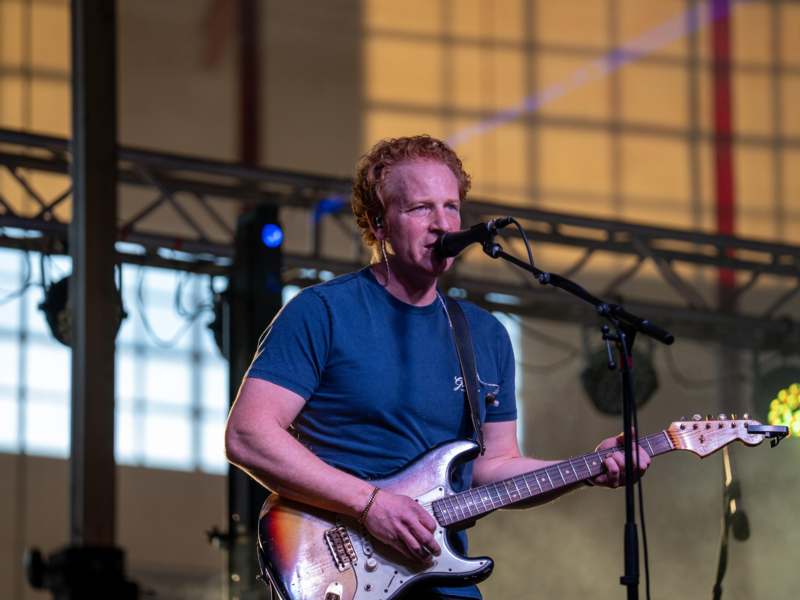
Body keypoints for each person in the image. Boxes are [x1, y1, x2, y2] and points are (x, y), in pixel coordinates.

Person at [225, 135, 651, 599]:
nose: (442, 224)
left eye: (451, 207)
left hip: (438, 576)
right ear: (379, 224)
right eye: (420, 208)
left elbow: (493, 467)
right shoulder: (323, 312)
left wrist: (586, 468)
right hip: (341, 572)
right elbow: (248, 435)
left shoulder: (485, 335)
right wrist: (371, 505)